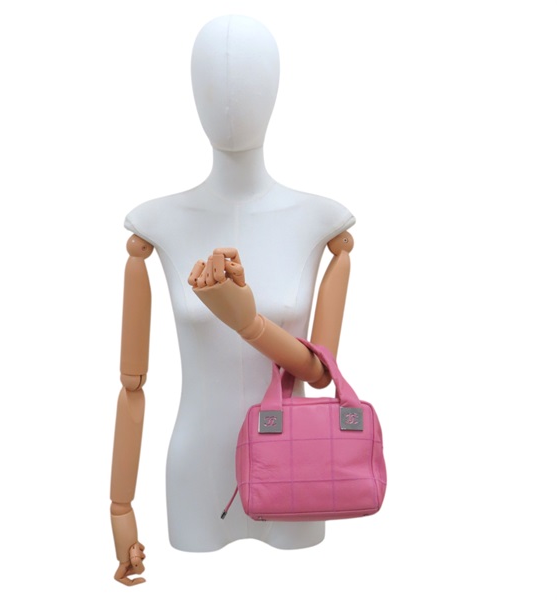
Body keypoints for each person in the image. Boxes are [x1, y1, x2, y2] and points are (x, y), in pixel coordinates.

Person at [110, 14, 355, 585]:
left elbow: (321, 374)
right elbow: (131, 386)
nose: (228, 96)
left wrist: (248, 322)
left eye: (246, 76)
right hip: (196, 474)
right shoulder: (157, 224)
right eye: (212, 79)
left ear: (274, 87)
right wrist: (121, 514)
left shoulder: (320, 222)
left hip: (295, 468)